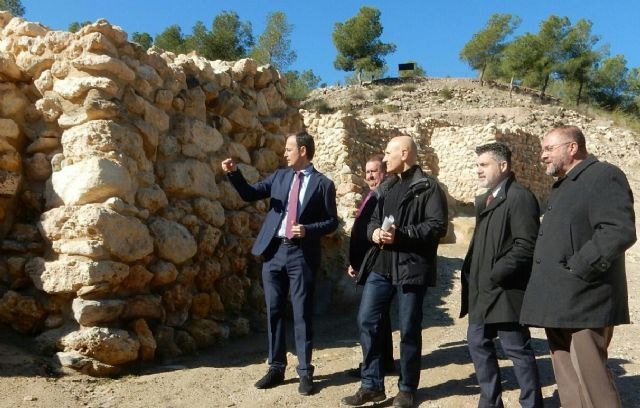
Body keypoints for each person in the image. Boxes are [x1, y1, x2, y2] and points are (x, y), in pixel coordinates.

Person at [520, 126, 637, 407]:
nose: (542, 156)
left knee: (594, 384)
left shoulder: (603, 175)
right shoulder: (565, 184)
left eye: (549, 148)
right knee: (568, 381)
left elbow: (618, 230)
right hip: (559, 300)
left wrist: (578, 268)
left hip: (585, 299)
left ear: (572, 148)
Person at [221, 131, 338, 396]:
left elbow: (332, 222)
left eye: (289, 149)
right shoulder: (280, 177)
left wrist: (307, 230)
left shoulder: (323, 184)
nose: (284, 153)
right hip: (273, 252)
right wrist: (233, 173)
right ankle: (276, 367)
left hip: (301, 255)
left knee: (301, 313)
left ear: (303, 151)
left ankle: (305, 372)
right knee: (273, 310)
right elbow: (250, 194)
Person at [342, 135, 448, 408]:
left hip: (411, 268)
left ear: (404, 153)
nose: (384, 158)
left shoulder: (428, 187)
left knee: (409, 329)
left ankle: (407, 389)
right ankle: (371, 385)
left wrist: (401, 236)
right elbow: (372, 220)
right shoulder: (387, 186)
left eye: (388, 154)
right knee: (367, 320)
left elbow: (437, 228)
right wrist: (374, 232)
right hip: (381, 266)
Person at [460, 142, 543, 408]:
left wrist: (496, 275)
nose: (478, 171)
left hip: (506, 291)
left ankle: (532, 404)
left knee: (517, 350)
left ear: (503, 166)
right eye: (477, 165)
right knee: (477, 344)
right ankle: (490, 402)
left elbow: (526, 246)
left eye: (484, 165)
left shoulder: (519, 197)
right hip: (482, 291)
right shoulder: (487, 199)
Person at [347, 155, 394, 378]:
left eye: (374, 171)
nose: (369, 176)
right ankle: (384, 361)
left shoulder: (383, 195)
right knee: (380, 317)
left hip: (375, 263)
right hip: (367, 263)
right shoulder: (373, 194)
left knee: (372, 317)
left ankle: (374, 366)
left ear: (384, 172)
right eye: (367, 172)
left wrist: (359, 262)